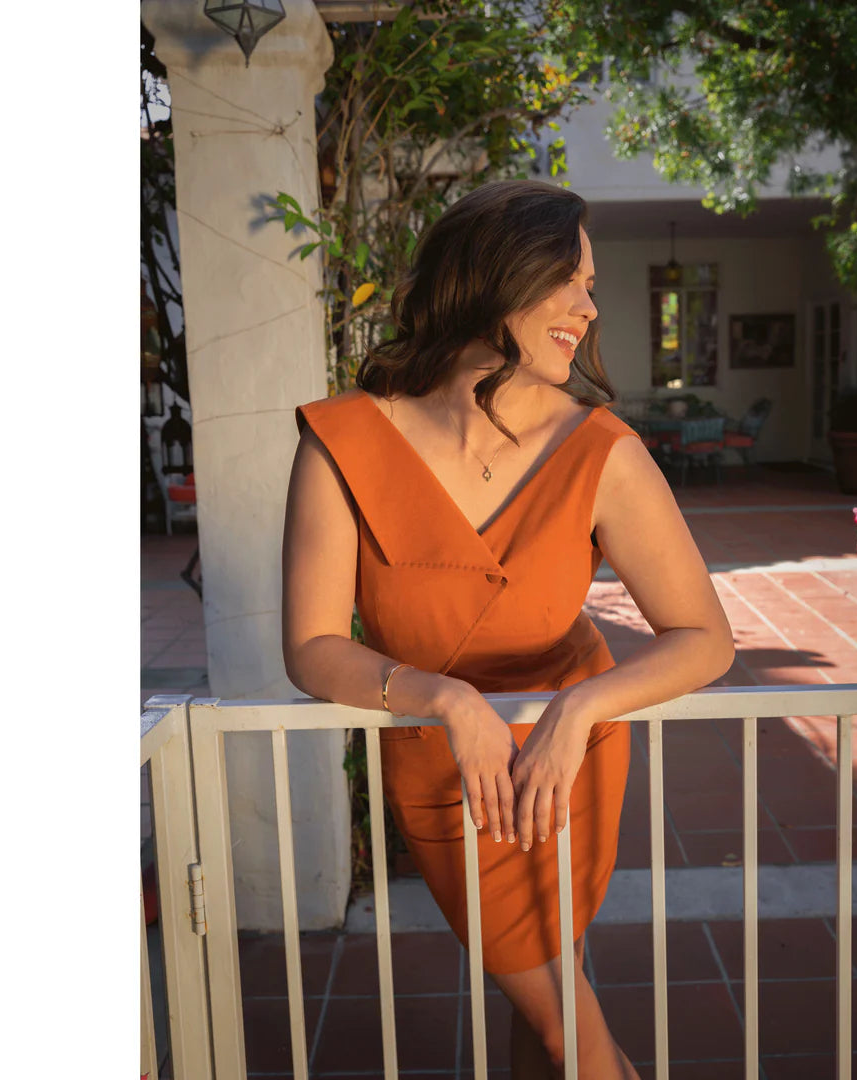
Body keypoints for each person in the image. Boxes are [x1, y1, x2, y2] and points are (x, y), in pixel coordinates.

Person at [282, 180, 734, 1079]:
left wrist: (581, 709)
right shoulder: (344, 441)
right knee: (562, 1022)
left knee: (554, 1024)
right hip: (443, 762)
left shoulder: (600, 451)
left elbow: (705, 637)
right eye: (567, 279)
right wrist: (447, 700)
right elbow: (312, 647)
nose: (588, 307)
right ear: (493, 277)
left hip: (566, 763)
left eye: (590, 285)